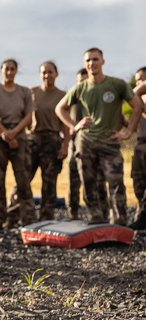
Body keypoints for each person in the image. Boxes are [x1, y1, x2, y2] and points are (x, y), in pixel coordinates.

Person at [56, 47, 144, 224]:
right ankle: (96, 220)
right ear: (84, 64)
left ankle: (119, 221)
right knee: (89, 184)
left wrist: (128, 132)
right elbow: (59, 108)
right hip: (86, 143)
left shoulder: (117, 84)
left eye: (95, 59)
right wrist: (75, 125)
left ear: (103, 61)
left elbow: (138, 106)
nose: (92, 63)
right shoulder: (80, 88)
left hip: (109, 143)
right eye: (88, 60)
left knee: (116, 183)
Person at [9, 61, 68, 223]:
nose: (47, 75)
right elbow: (23, 116)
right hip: (32, 139)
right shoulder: (31, 93)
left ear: (56, 74)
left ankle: (46, 218)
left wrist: (65, 146)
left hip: (53, 140)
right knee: (23, 180)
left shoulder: (62, 96)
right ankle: (12, 216)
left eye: (50, 72)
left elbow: (65, 124)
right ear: (40, 74)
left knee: (49, 183)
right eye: (44, 72)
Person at [0, 59, 35, 229]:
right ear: (1, 71)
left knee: (23, 178)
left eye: (12, 69)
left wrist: (14, 133)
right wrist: (5, 133)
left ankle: (28, 218)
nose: (9, 72)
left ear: (16, 71)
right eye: (6, 69)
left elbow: (29, 115)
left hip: (19, 134)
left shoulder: (25, 92)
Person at [66, 68, 89, 219]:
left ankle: (93, 213)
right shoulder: (71, 98)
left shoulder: (96, 97)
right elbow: (59, 114)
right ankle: (72, 212)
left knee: (89, 180)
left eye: (85, 81)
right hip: (73, 144)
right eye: (80, 82)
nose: (82, 84)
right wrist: (73, 127)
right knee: (72, 180)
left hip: (91, 145)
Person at [131, 66, 146, 231]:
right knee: (138, 185)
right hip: (140, 143)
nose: (138, 83)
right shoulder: (137, 103)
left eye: (141, 80)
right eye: (136, 81)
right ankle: (141, 217)